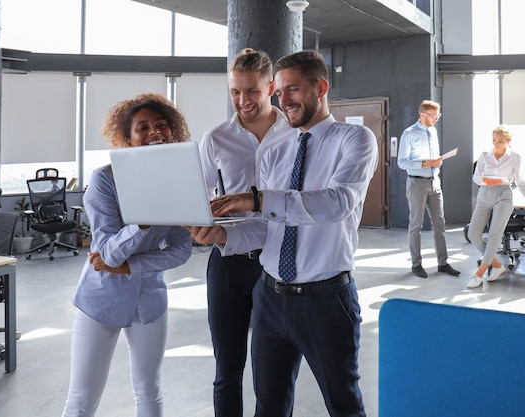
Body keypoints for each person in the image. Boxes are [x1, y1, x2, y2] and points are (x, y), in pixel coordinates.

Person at [188, 50, 377, 417]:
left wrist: (256, 198)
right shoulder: (277, 150)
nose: (284, 100)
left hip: (326, 299)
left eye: (293, 89)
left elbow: (337, 203)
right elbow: (267, 226)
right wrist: (223, 237)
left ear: (320, 87)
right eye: (281, 92)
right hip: (270, 298)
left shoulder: (354, 139)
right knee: (269, 407)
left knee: (344, 405)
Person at [61, 93, 193, 417]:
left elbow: (182, 248)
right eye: (142, 127)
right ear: (128, 137)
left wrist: (130, 267)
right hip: (100, 301)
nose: (154, 132)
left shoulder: (176, 181)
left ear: (172, 132)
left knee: (150, 391)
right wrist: (143, 221)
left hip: (150, 301)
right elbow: (106, 251)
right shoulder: (104, 180)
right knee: (81, 400)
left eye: (161, 125)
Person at [198, 47, 292, 417]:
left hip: (279, 263)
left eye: (251, 91)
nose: (242, 101)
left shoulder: (296, 135)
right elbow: (201, 194)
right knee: (227, 372)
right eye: (235, 92)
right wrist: (199, 220)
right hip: (228, 263)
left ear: (270, 87)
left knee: (274, 377)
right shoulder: (216, 138)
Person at [466, 125, 525, 289]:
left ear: (508, 142)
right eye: (494, 140)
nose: (496, 143)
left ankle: (479, 273)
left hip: (504, 196)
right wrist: (485, 181)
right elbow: (476, 176)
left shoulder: (515, 157)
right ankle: (496, 265)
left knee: (494, 235)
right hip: (485, 193)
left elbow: (521, 183)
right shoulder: (484, 155)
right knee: (473, 234)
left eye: (500, 141)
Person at [397, 100, 460, 279]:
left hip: (434, 182)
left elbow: (435, 157)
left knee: (440, 224)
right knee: (415, 225)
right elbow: (402, 162)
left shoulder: (433, 131)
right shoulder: (408, 133)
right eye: (434, 116)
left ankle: (443, 263)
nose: (436, 119)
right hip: (417, 183)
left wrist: (437, 162)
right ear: (423, 115)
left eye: (438, 116)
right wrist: (425, 163)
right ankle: (416, 264)